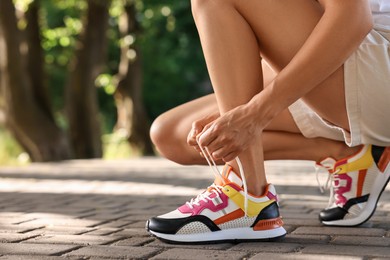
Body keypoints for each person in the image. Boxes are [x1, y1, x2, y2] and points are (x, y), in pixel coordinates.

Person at [146, 0, 390, 244]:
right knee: (171, 135)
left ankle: (248, 196)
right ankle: (354, 154)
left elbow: (354, 18)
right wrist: (236, 101)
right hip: (357, 66)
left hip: (376, 54)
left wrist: (257, 111)